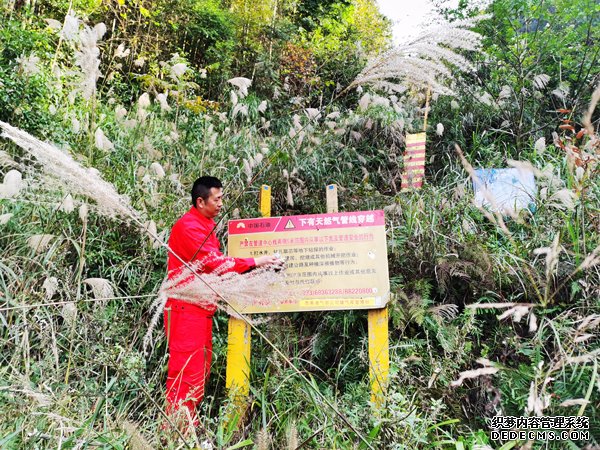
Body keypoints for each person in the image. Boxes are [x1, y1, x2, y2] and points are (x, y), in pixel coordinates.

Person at [164, 176, 279, 421]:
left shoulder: (205, 223)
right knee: (186, 374)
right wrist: (256, 261)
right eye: (216, 200)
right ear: (200, 201)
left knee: (199, 372)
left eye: (222, 198)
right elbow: (214, 263)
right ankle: (177, 433)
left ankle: (187, 428)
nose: (221, 204)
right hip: (186, 309)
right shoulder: (189, 227)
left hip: (200, 310)